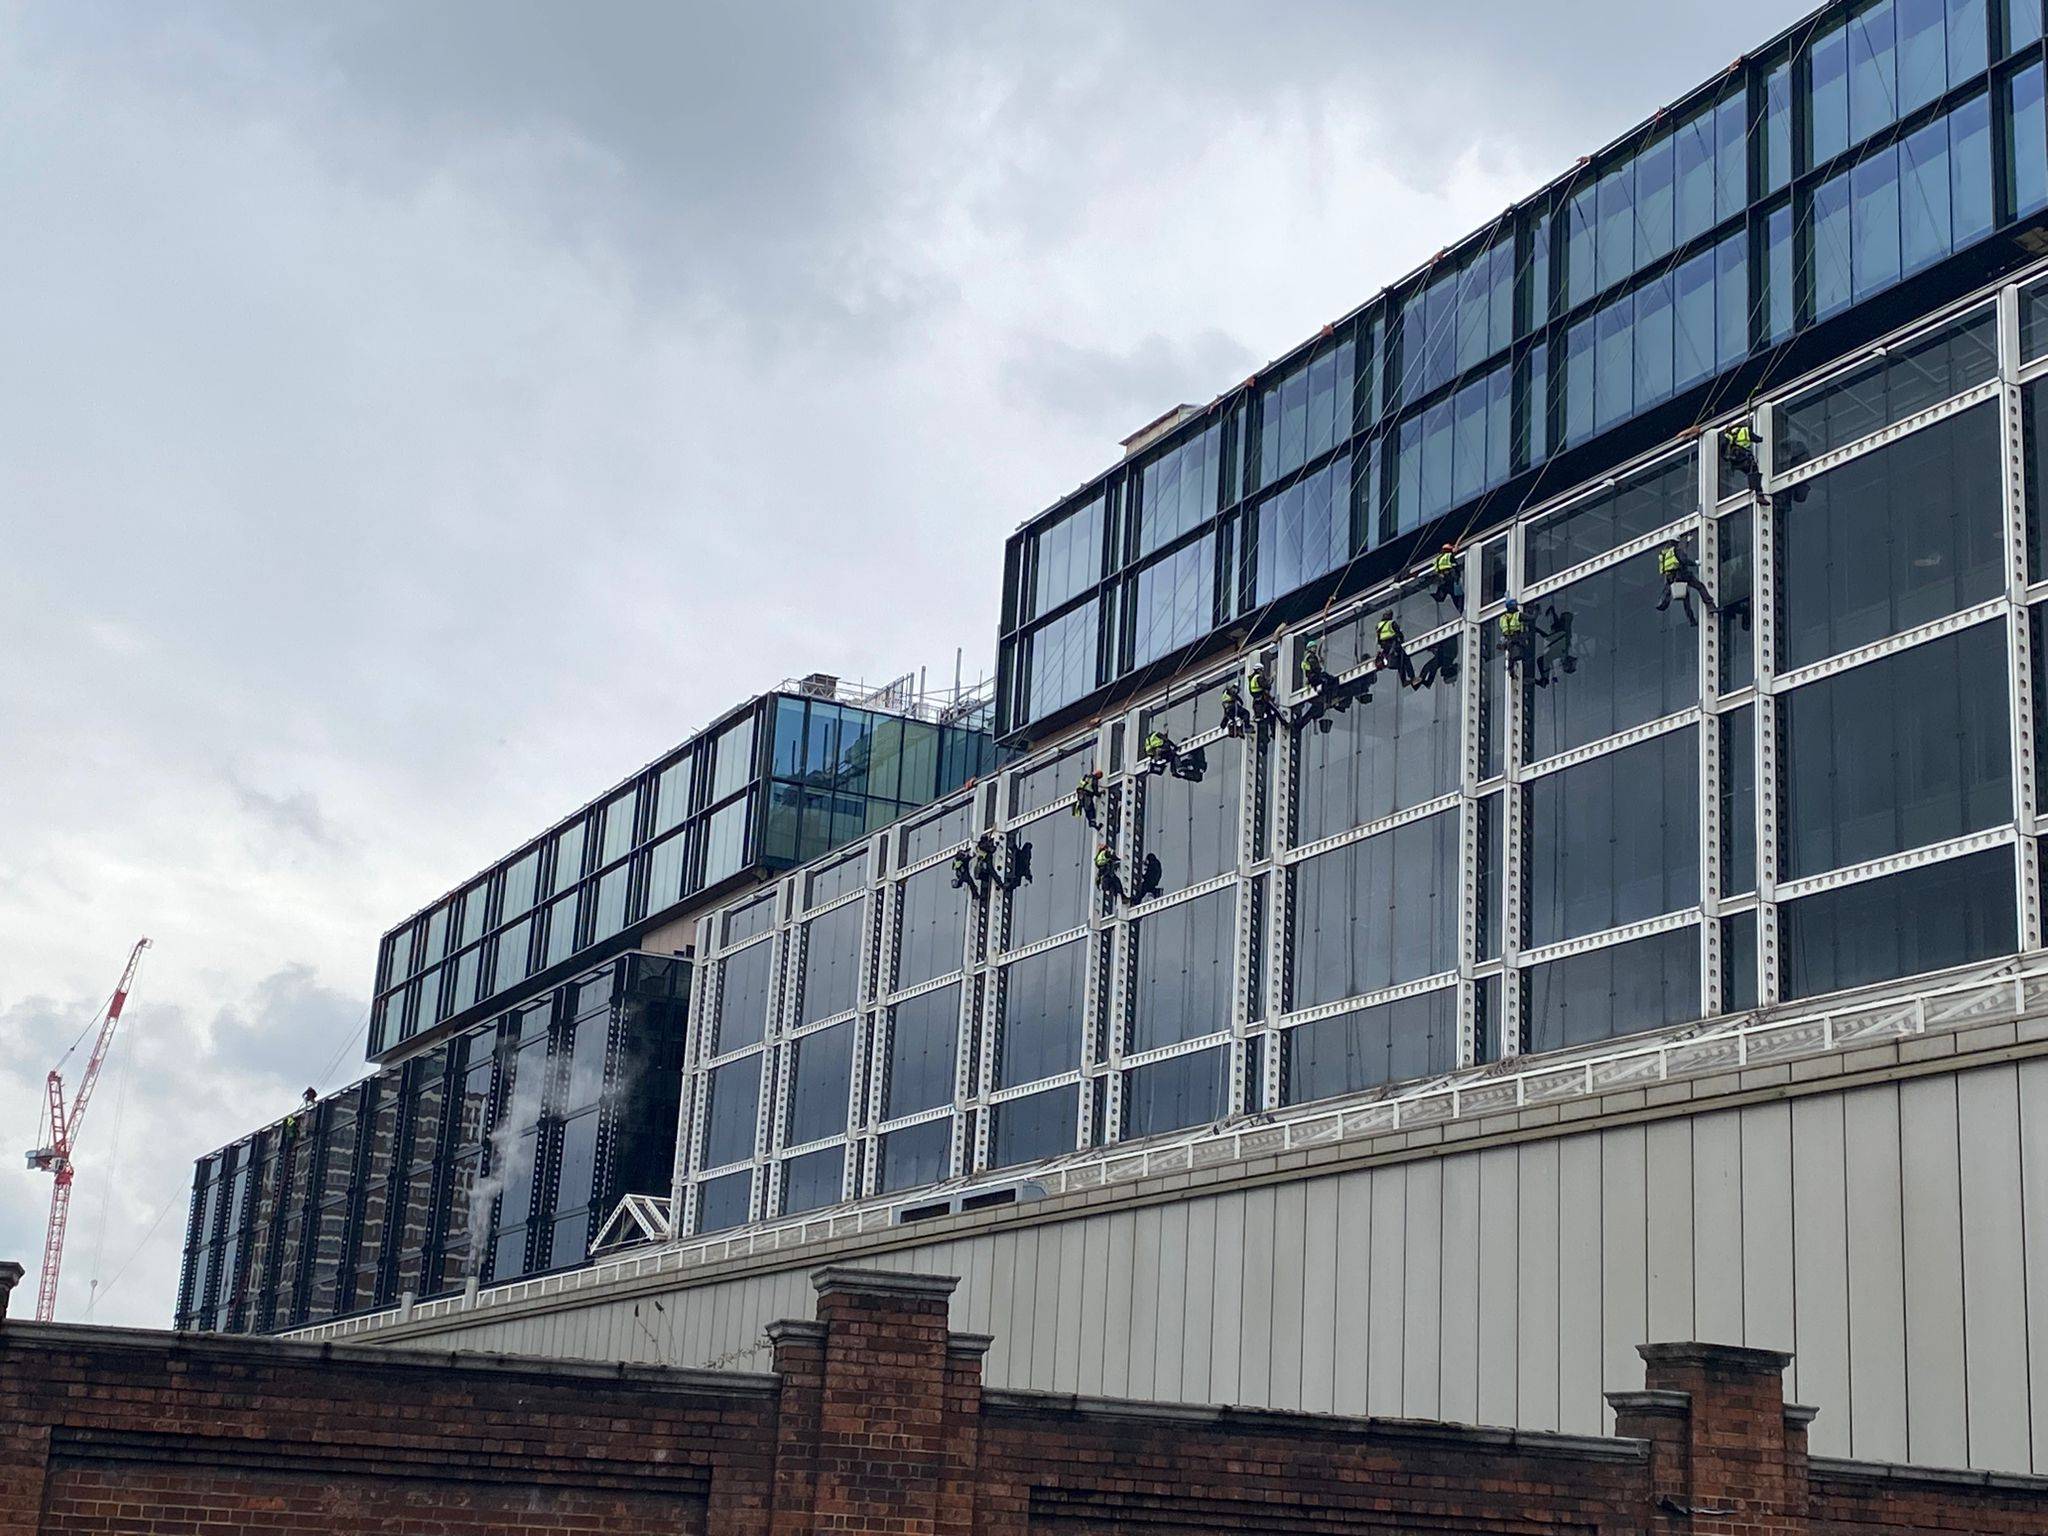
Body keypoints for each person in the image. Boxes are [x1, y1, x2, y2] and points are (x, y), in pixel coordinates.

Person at [1655, 541, 1717, 627]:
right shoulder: (1676, 550)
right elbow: (1684, 560)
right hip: (1682, 575)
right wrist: (1694, 563)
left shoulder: (1665, 553)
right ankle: (1711, 606)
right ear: (1676, 543)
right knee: (1700, 586)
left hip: (1671, 578)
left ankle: (1691, 620)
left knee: (1685, 599)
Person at [1720, 421, 1770, 506]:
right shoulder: (1745, 431)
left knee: (1746, 474)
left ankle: (1751, 491)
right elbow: (1758, 439)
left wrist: (1726, 458)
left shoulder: (1728, 435)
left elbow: (1723, 449)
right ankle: (1758, 493)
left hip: (1735, 461)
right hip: (1745, 458)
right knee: (1754, 472)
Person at [1499, 599, 1543, 683]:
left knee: (1512, 657)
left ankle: (1511, 671)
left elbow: (1504, 629)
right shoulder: (1518, 615)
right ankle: (1526, 676)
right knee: (1527, 656)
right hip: (1518, 639)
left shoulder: (1502, 618)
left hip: (1508, 641)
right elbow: (1532, 618)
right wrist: (1537, 609)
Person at [1374, 611, 1416, 689]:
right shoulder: (1391, 623)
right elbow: (1399, 633)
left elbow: (1379, 640)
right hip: (1394, 644)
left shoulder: (1379, 626)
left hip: (1386, 647)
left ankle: (1404, 681)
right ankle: (1412, 677)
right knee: (1405, 659)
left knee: (1400, 663)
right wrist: (1402, 641)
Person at [1427, 542, 1464, 611]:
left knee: (1445, 591)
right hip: (1449, 577)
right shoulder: (1448, 556)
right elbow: (1453, 562)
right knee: (1456, 594)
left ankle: (1440, 596)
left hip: (1442, 578)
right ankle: (1460, 607)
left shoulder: (1437, 558)